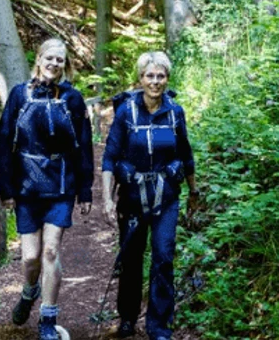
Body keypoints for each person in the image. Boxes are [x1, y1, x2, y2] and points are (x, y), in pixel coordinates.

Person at [0, 38, 93, 340]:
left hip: (61, 185)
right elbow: (4, 142)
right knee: (30, 257)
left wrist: (85, 189)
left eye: (60, 60)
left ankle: (48, 319)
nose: (54, 64)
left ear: (66, 65)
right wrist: (6, 188)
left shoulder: (73, 99)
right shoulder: (18, 95)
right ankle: (29, 290)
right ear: (38, 59)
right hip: (27, 187)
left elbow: (84, 146)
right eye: (49, 58)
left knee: (51, 251)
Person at [101, 51, 196, 340]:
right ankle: (128, 318)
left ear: (167, 79)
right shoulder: (125, 112)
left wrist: (194, 191)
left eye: (160, 76)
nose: (155, 81)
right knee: (130, 258)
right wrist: (107, 198)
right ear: (140, 78)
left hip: (167, 197)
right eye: (149, 76)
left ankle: (158, 326)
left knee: (163, 257)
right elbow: (109, 157)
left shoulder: (175, 112)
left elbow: (185, 154)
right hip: (132, 198)